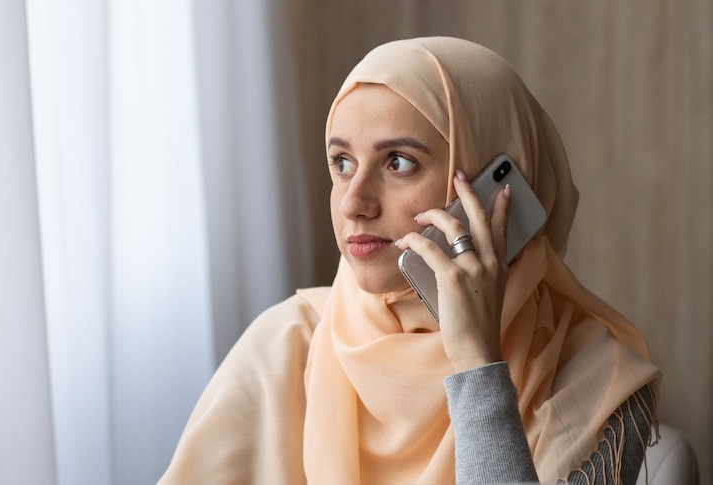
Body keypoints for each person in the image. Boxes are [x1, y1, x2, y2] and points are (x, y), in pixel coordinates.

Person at [158, 37, 660, 484]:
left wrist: (478, 365)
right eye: (342, 163)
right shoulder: (285, 347)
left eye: (398, 162)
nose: (354, 202)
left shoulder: (597, 385)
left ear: (497, 191)